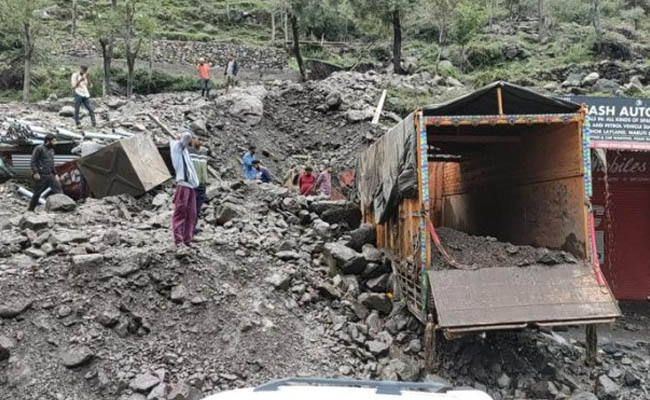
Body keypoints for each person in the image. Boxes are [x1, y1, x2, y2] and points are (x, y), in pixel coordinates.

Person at [171, 130, 199, 247]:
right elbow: (187, 136)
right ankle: (179, 240)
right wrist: (182, 134)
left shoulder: (185, 151)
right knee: (180, 212)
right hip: (183, 185)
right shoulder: (177, 147)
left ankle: (187, 239)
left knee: (191, 214)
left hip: (191, 187)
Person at [28, 133, 63, 211]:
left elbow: (52, 163)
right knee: (37, 193)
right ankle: (30, 209)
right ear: (48, 141)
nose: (55, 143)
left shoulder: (51, 150)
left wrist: (55, 174)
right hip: (41, 175)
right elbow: (33, 161)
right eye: (54, 141)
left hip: (50, 175)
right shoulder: (39, 148)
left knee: (59, 190)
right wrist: (35, 172)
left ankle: (62, 208)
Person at [189, 136, 210, 234]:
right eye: (198, 139)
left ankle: (192, 228)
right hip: (192, 184)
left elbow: (204, 167)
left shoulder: (204, 152)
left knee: (197, 209)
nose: (201, 142)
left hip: (202, 185)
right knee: (190, 208)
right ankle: (187, 229)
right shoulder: (187, 150)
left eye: (202, 139)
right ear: (192, 139)